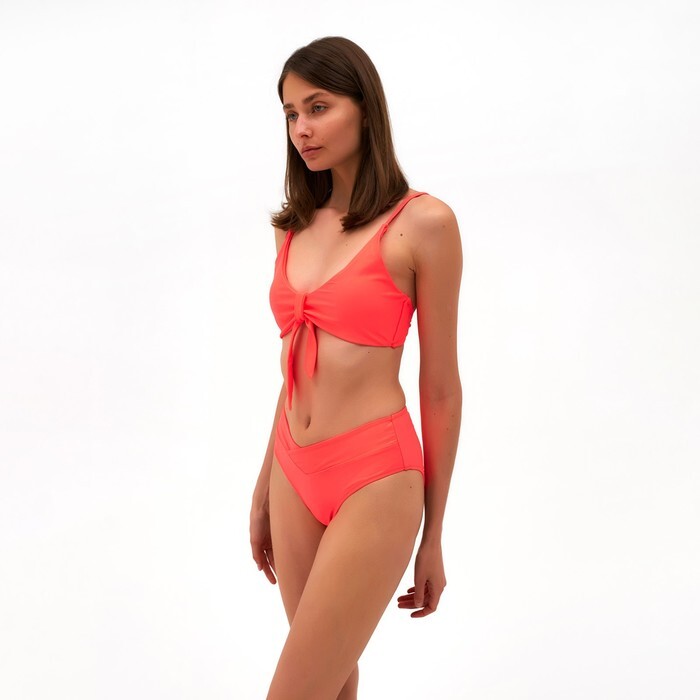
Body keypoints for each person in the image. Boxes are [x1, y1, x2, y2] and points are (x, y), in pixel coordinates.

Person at [249, 36, 462, 700]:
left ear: (365, 108)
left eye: (318, 107)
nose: (302, 128)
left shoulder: (423, 224)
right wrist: (264, 485)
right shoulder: (292, 226)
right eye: (290, 113)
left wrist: (434, 533)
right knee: (332, 686)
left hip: (375, 475)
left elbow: (441, 388)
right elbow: (293, 369)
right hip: (292, 470)